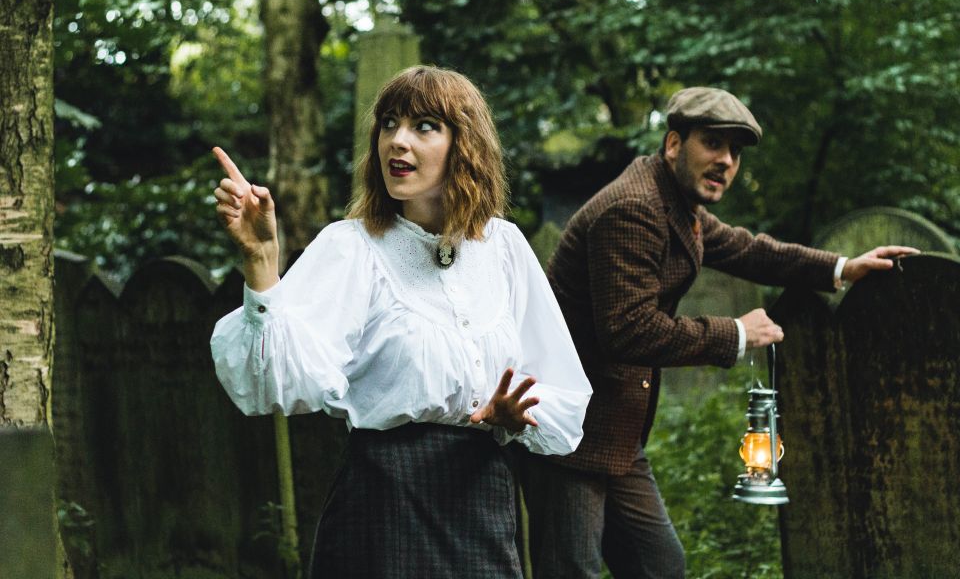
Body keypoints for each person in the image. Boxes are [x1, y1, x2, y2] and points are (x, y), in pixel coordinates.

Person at [520, 86, 919, 579]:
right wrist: (734, 332)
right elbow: (629, 331)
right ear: (673, 144)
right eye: (712, 143)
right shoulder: (634, 208)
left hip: (615, 431)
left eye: (735, 151)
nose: (726, 161)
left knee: (660, 566)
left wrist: (842, 267)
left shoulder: (674, 204)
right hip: (568, 434)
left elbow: (749, 250)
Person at [209, 65, 592, 578]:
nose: (398, 141)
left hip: (482, 496)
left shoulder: (504, 248)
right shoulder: (353, 246)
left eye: (424, 126)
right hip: (384, 503)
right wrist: (261, 262)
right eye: (389, 124)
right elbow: (273, 381)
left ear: (466, 143)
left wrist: (514, 414)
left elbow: (560, 387)